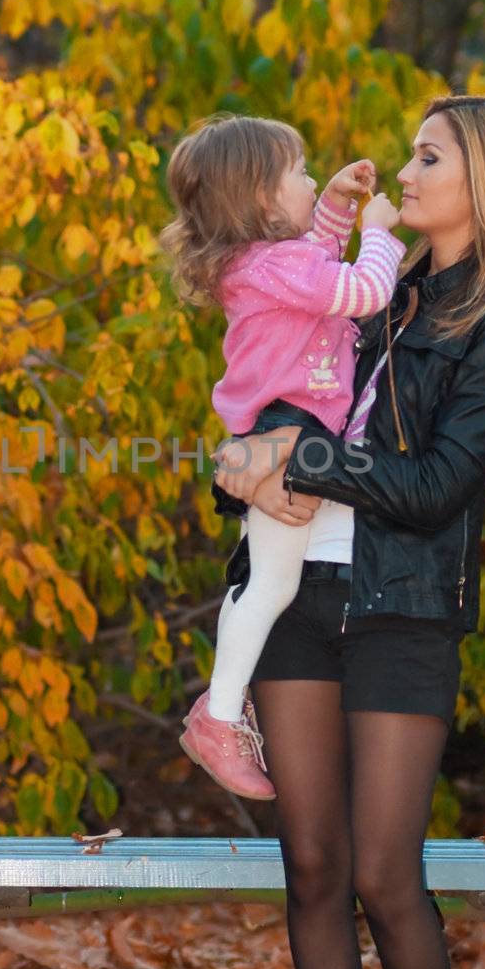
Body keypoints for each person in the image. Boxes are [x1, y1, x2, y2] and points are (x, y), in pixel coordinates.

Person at [211, 94, 485, 969]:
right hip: (293, 604)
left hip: (405, 606)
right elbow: (268, 397)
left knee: (384, 870)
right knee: (313, 865)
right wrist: (230, 461)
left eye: (428, 157)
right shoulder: (376, 288)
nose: (404, 173)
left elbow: (437, 485)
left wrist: (296, 462)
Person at [157, 113, 406, 799]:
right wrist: (378, 231)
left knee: (271, 581)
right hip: (284, 427)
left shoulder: (268, 263)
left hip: (282, 431)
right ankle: (217, 712)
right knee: (269, 586)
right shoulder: (276, 265)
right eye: (299, 173)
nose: (310, 179)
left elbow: (317, 260)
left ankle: (220, 707)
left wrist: (334, 206)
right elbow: (360, 290)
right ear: (264, 201)